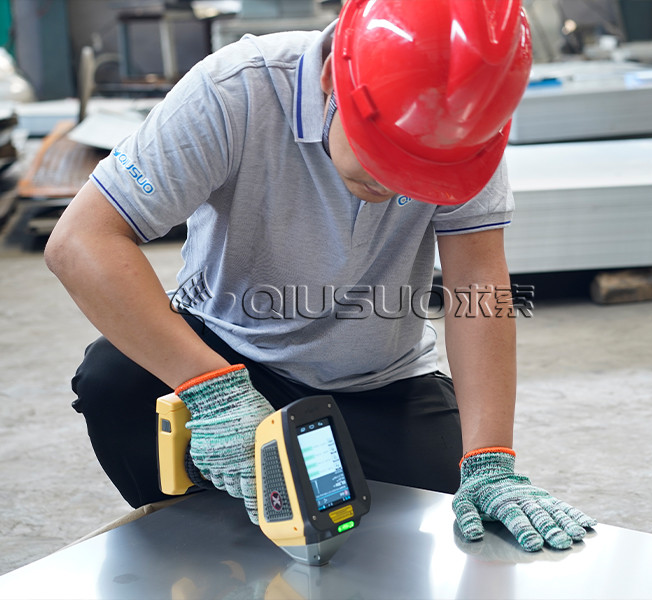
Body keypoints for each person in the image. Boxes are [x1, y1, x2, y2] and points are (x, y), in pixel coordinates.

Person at [46, 0, 595, 552]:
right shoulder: (236, 88)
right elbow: (80, 240)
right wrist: (209, 390)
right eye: (390, 159)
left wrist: (490, 458)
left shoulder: (462, 126)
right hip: (227, 352)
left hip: (379, 382)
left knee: (432, 519)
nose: (401, 186)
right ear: (335, 80)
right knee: (115, 383)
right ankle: (197, 523)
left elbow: (478, 285)